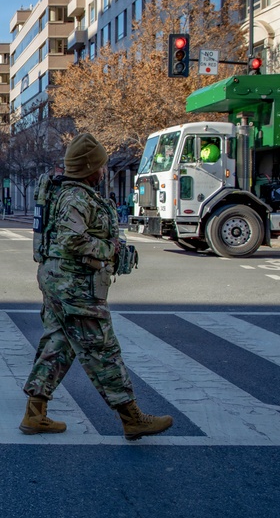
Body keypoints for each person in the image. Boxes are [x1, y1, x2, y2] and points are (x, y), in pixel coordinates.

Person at [21, 133, 172, 441]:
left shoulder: (68, 192)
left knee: (58, 345)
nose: (104, 171)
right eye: (101, 165)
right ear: (91, 168)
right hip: (75, 286)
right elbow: (72, 240)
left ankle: (34, 414)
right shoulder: (77, 197)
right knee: (103, 350)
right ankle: (132, 419)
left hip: (59, 281)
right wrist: (111, 249)